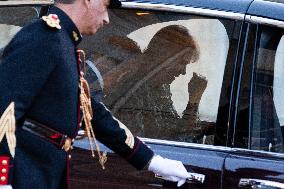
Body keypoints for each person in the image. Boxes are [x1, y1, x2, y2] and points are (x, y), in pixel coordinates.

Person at [0, 0, 193, 188]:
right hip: (24, 174)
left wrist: (153, 161)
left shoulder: (64, 43)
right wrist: (3, 180)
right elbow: (5, 111)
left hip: (42, 173)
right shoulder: (43, 37)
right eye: (105, 6)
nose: (107, 18)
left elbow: (92, 113)